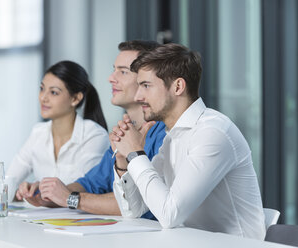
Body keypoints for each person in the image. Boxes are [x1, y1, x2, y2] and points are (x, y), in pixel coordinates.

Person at [111, 43, 266, 239]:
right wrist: (124, 162)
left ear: (177, 87)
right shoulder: (173, 137)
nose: (137, 96)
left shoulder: (212, 133)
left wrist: (136, 153)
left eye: (146, 86)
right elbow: (133, 210)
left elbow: (169, 214)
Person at [23, 41, 166, 218]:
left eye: (122, 72)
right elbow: (91, 184)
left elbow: (137, 203)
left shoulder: (165, 134)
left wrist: (70, 198)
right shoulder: (124, 131)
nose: (111, 78)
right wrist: (51, 194)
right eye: (114, 70)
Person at [0, 61, 110, 200]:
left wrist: (38, 192)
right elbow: (11, 179)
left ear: (75, 98)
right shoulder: (38, 132)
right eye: (42, 89)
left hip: (81, 220)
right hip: (43, 219)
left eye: (54, 92)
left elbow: (84, 189)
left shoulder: (94, 136)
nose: (43, 98)